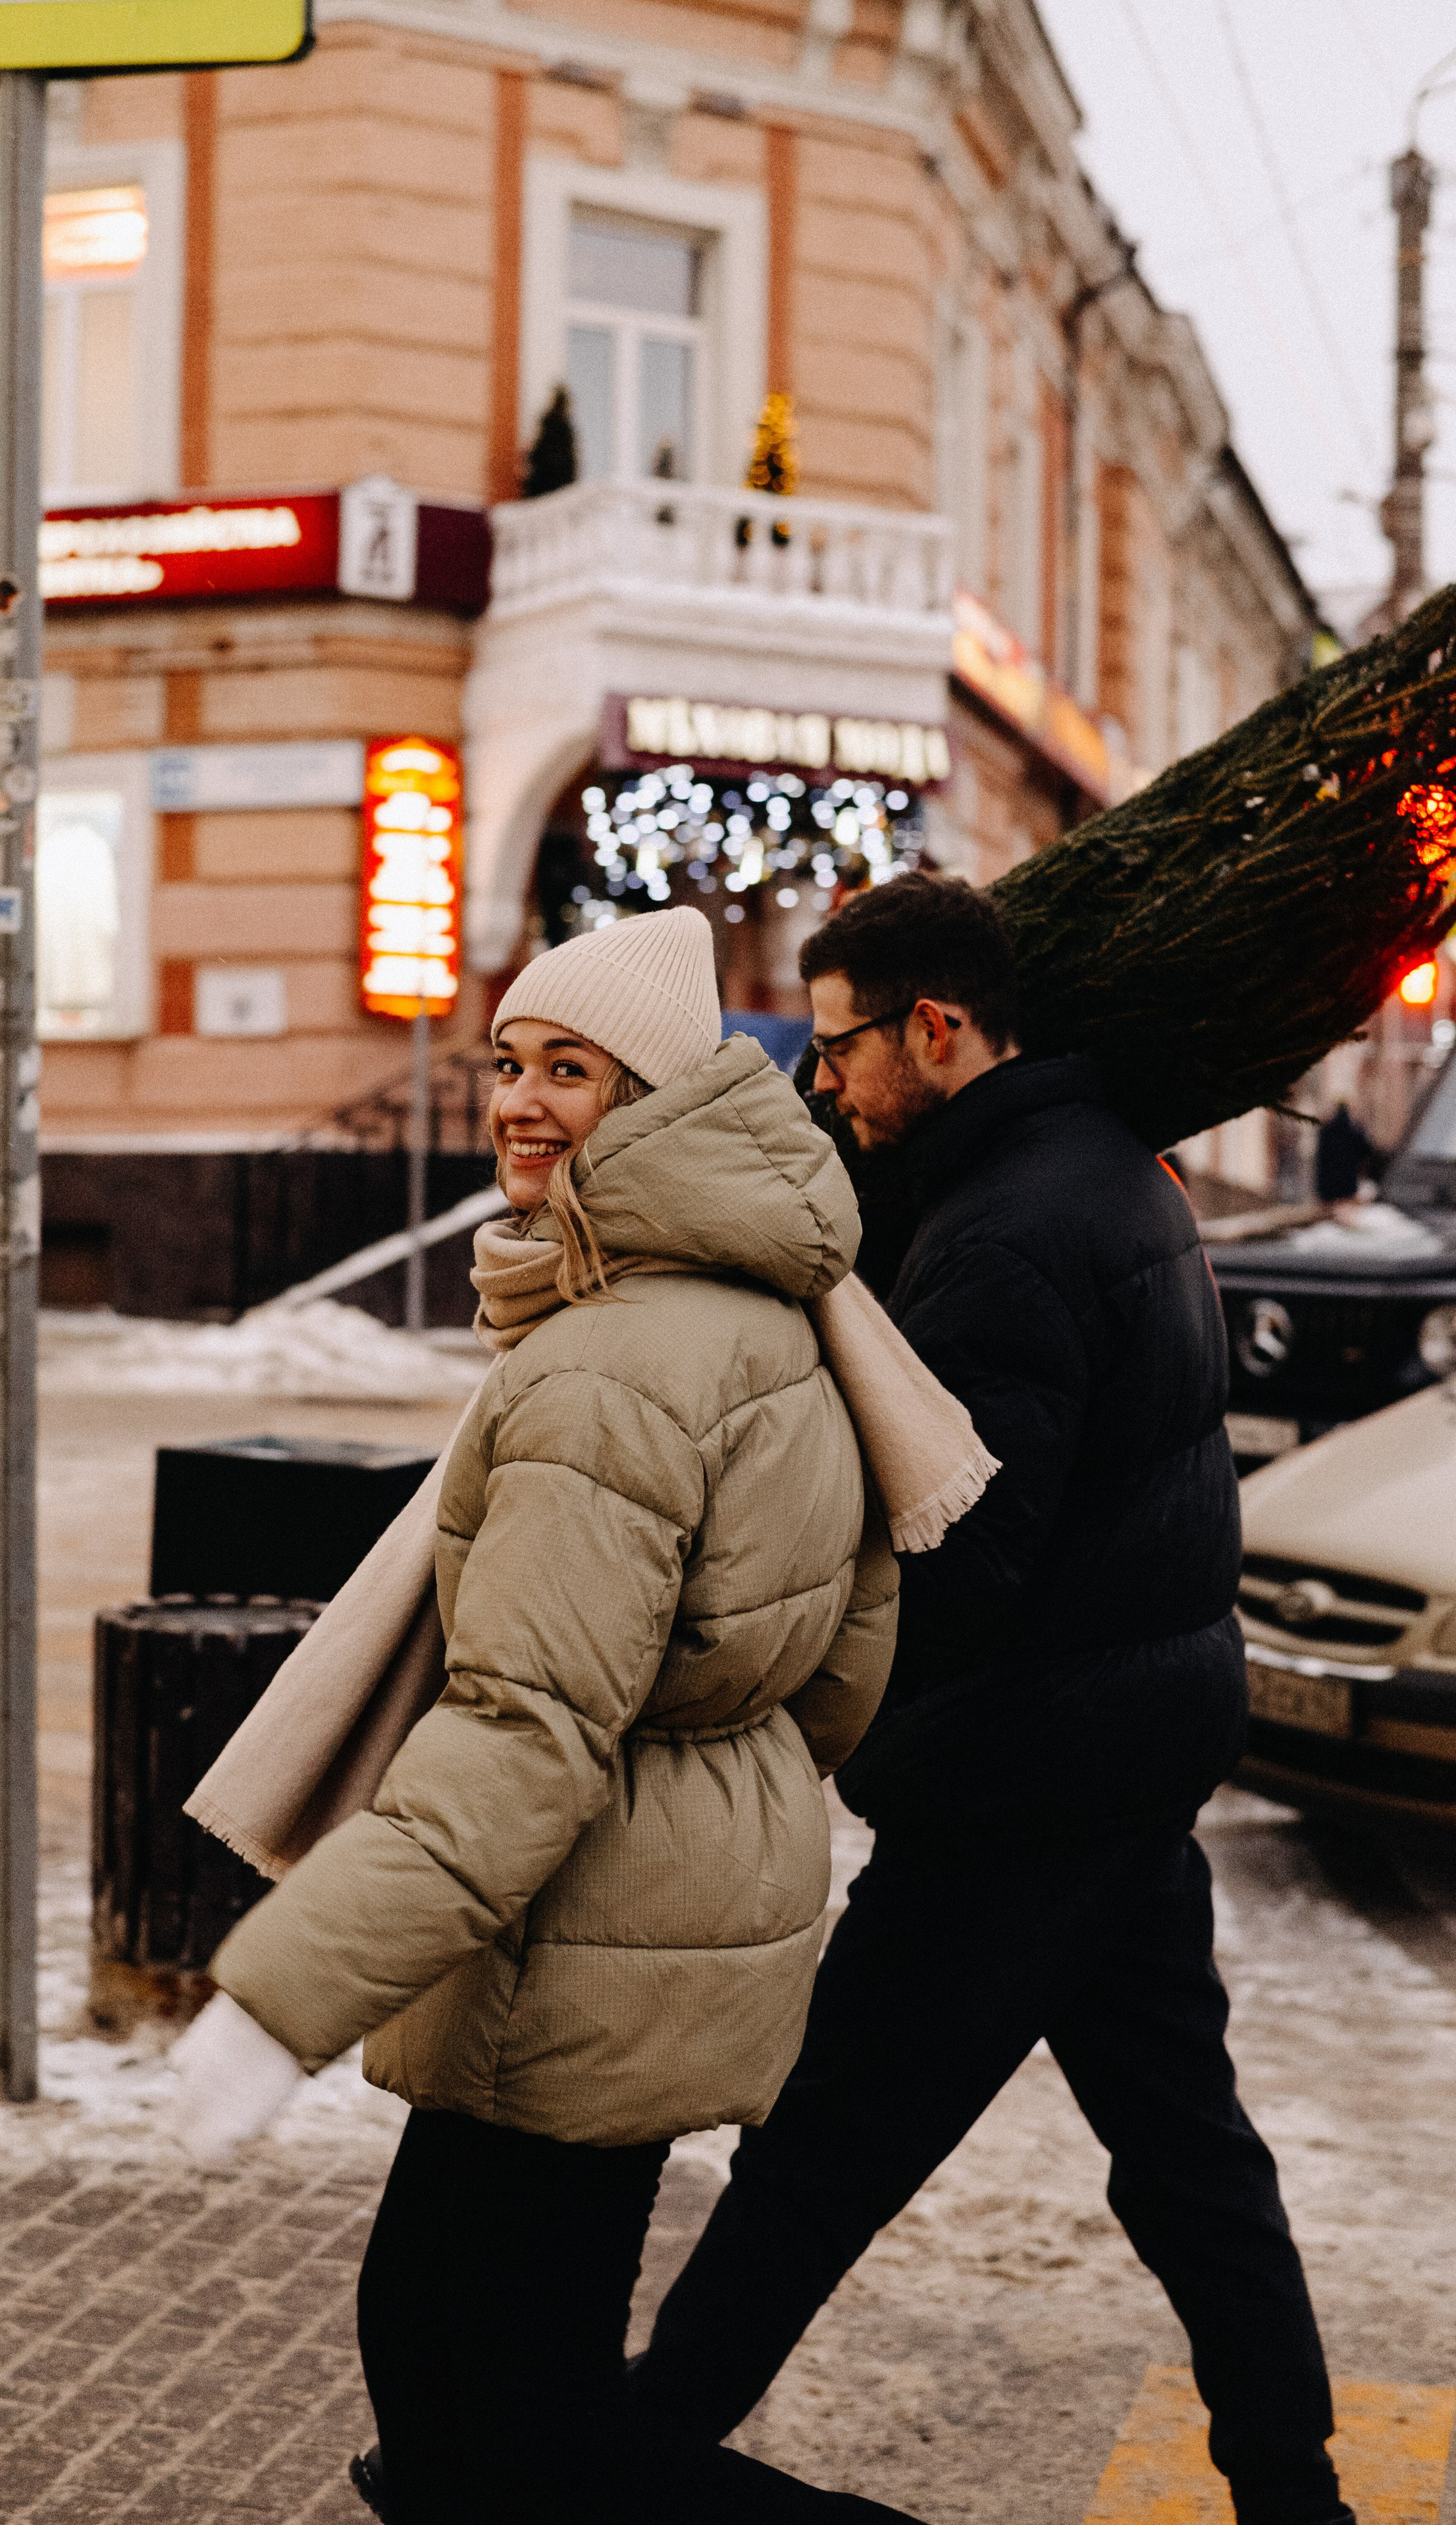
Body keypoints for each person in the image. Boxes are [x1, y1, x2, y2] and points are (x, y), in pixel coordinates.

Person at [170, 906, 975, 2525]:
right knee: (448, 2390)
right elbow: (841, 1663)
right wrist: (704, 1798)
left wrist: (281, 1996)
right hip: (648, 1915)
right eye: (507, 1062)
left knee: (520, 2432)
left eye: (570, 1071)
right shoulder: (776, 1308)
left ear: (655, 1100)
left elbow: (523, 1729)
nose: (518, 1104)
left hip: (578, 1933)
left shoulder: (608, 1365)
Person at [633, 872, 1355, 2525]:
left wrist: (784, 1683)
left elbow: (959, 1549)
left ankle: (612, 2454)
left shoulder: (1008, 1230)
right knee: (1184, 2157)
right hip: (1116, 1754)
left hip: (1022, 1785)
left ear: (937, 1029)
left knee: (824, 2147)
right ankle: (1293, 2491)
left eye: (838, 1048)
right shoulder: (1103, 1167)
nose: (821, 1081)